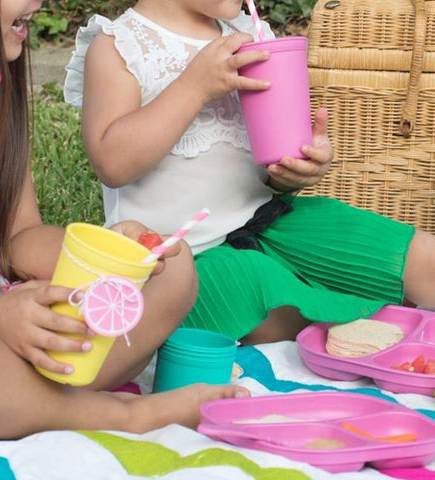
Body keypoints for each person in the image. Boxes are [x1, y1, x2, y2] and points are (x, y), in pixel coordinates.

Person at [66, 0, 435, 346]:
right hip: (186, 260)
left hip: (271, 225)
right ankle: (375, 326)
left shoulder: (250, 36)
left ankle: (378, 313)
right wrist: (192, 88)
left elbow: (265, 162)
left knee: (400, 251)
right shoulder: (121, 45)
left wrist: (293, 170)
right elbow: (112, 164)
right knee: (278, 298)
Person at [0, 0, 249, 440]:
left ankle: (27, 400)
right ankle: (122, 415)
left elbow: (17, 237)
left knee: (172, 270)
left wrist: (112, 254)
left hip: (8, 322)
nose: (39, 3)